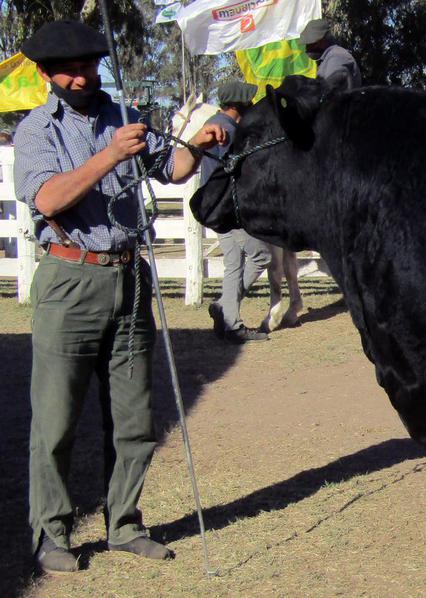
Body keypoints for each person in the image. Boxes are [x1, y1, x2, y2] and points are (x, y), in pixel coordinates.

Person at [13, 19, 226, 574]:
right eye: (71, 68)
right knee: (56, 420)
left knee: (133, 418)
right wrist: (109, 156)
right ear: (46, 74)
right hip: (69, 280)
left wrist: (200, 141)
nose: (83, 76)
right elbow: (51, 198)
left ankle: (124, 523)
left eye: (89, 64)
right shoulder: (39, 130)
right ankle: (52, 533)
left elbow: (173, 169)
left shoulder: (124, 116)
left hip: (131, 279)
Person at [201, 81, 272, 344]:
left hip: (215, 208)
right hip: (232, 209)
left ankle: (225, 311)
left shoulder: (213, 122)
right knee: (261, 256)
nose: (252, 105)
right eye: (249, 102)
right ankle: (228, 318)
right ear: (239, 105)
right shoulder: (230, 130)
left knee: (233, 264)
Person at [298, 19, 362, 90]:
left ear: (323, 40)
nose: (307, 47)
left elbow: (327, 92)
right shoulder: (327, 59)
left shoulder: (336, 57)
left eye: (311, 43)